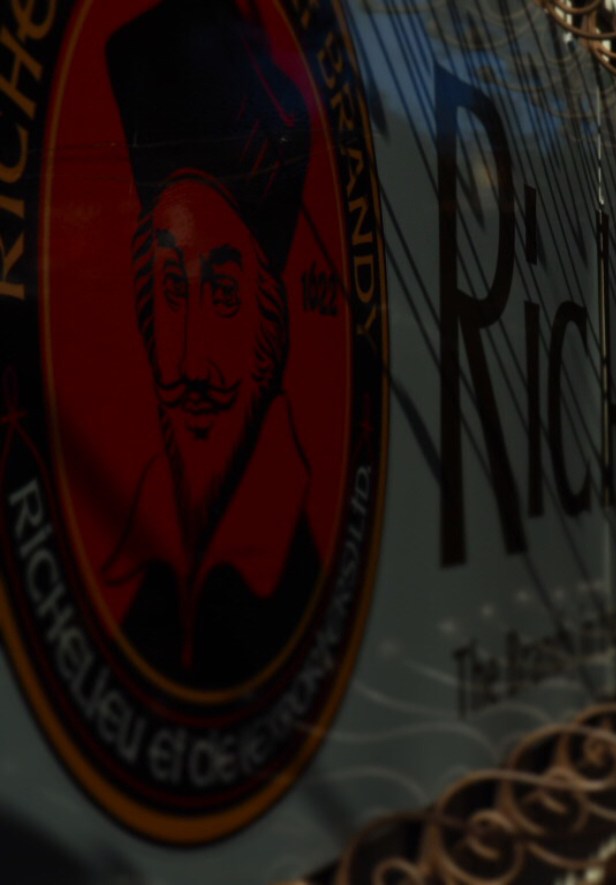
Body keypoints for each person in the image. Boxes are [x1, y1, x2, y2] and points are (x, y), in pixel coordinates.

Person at [100, 0, 318, 688]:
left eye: (223, 296)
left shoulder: (294, 572)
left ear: (269, 325)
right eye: (171, 288)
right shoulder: (127, 565)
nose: (189, 363)